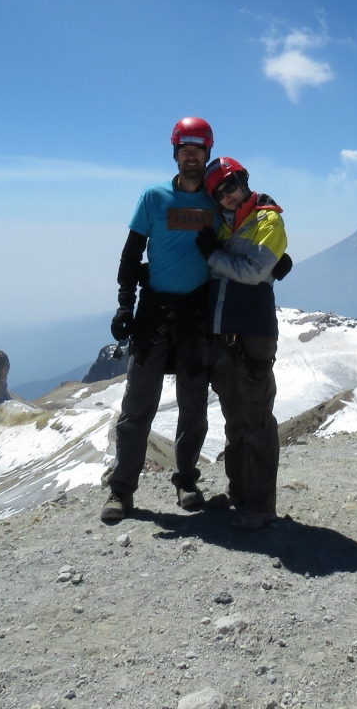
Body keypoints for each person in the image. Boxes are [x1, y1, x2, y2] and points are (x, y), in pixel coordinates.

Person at [102, 116, 218, 523]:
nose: (191, 155)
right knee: (137, 406)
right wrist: (124, 305)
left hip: (195, 317)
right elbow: (131, 255)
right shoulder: (153, 198)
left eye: (198, 148)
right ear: (175, 152)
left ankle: (187, 481)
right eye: (185, 148)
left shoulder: (217, 200)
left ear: (207, 153)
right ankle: (121, 491)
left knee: (193, 406)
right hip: (153, 313)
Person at [195, 156, 288, 529]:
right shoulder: (222, 222)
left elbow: (253, 272)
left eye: (230, 186)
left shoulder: (269, 219)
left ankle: (261, 507)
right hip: (225, 332)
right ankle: (240, 496)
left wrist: (213, 256)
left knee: (257, 421)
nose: (227, 197)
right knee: (234, 419)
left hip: (253, 334)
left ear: (244, 181)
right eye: (218, 194)